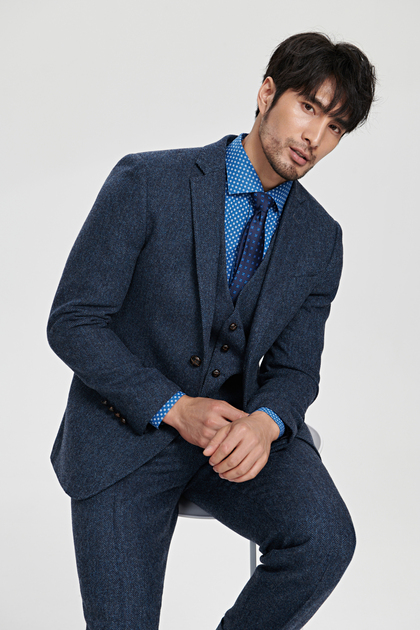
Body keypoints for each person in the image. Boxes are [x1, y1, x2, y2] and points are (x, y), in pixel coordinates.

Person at [47, 32, 375, 630]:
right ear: (267, 93)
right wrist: (173, 407)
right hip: (125, 434)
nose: (315, 137)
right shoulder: (148, 181)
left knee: (324, 540)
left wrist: (265, 422)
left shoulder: (321, 239)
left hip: (230, 435)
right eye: (308, 107)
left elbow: (296, 370)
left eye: (335, 127)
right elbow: (74, 321)